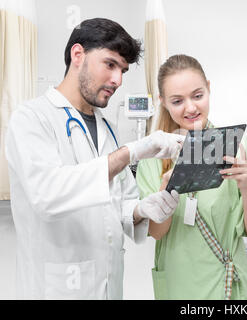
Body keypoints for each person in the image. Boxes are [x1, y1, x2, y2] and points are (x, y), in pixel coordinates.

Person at [5, 18, 183, 300]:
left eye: (123, 70)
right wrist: (132, 152)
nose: (118, 80)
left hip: (109, 283)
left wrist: (143, 209)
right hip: (57, 286)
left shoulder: (106, 127)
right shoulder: (32, 118)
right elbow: (47, 195)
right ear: (78, 55)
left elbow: (120, 202)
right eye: (110, 64)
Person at [136, 54, 247, 300]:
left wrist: (246, 187)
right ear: (163, 102)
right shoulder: (153, 156)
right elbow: (157, 233)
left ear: (209, 89)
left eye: (198, 95)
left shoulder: (240, 147)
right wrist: (165, 191)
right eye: (177, 100)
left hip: (226, 281)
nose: (190, 108)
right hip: (179, 282)